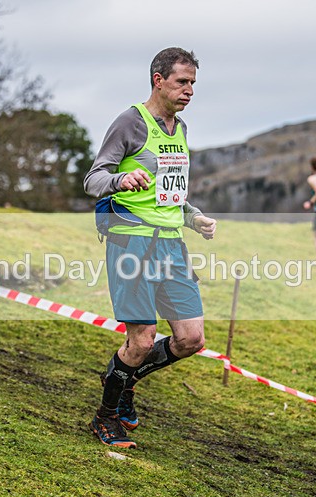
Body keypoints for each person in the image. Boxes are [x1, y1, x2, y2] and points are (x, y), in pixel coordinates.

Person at [83, 47, 217, 448]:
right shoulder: (130, 122)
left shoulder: (181, 129)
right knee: (141, 340)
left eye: (193, 82)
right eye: (182, 81)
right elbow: (94, 178)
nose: (190, 90)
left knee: (191, 338)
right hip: (132, 243)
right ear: (158, 80)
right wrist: (118, 182)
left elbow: (171, 194)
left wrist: (193, 218)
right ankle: (106, 418)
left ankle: (123, 381)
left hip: (171, 246)